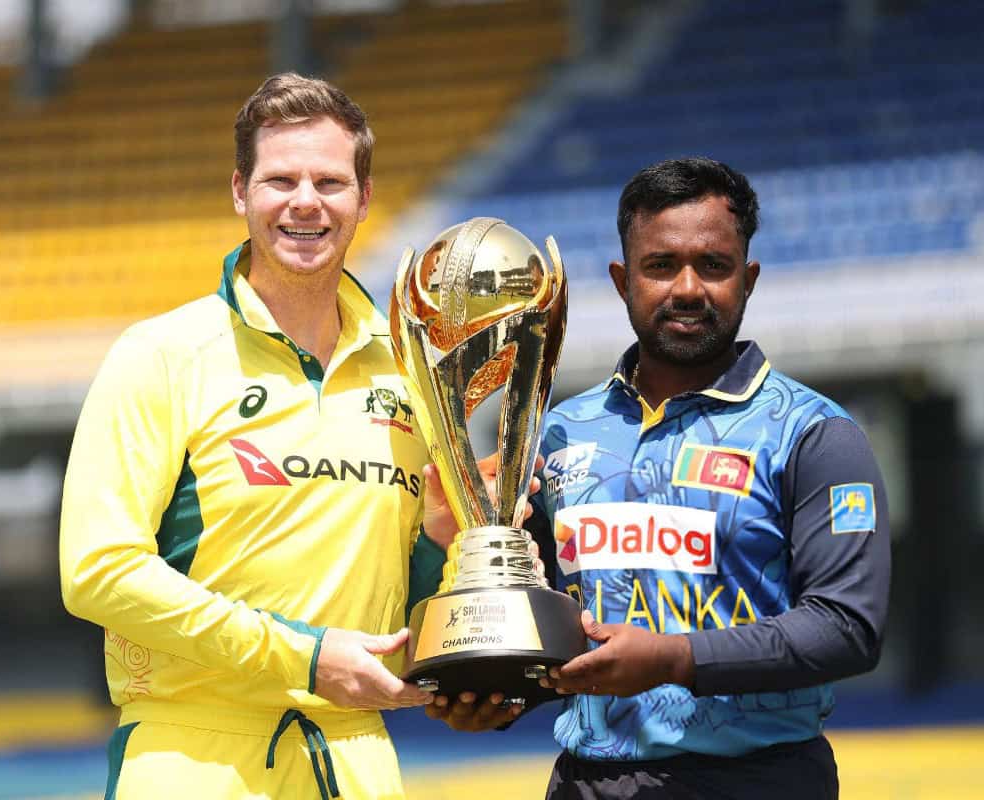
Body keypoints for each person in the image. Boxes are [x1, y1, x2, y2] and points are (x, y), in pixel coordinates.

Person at [428, 157, 891, 799]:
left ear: (748, 279)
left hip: (760, 782)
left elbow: (846, 626)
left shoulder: (813, 433)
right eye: (661, 265)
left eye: (715, 265)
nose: (688, 288)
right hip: (587, 785)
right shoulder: (557, 432)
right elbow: (549, 630)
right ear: (623, 280)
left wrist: (674, 658)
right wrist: (496, 692)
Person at [60, 73, 460, 800]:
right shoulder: (161, 353)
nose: (306, 201)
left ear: (364, 199)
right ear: (240, 192)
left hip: (357, 754)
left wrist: (440, 545)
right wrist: (304, 658)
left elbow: (407, 608)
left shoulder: (413, 373)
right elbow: (98, 571)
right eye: (281, 180)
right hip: (193, 753)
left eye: (330, 181)